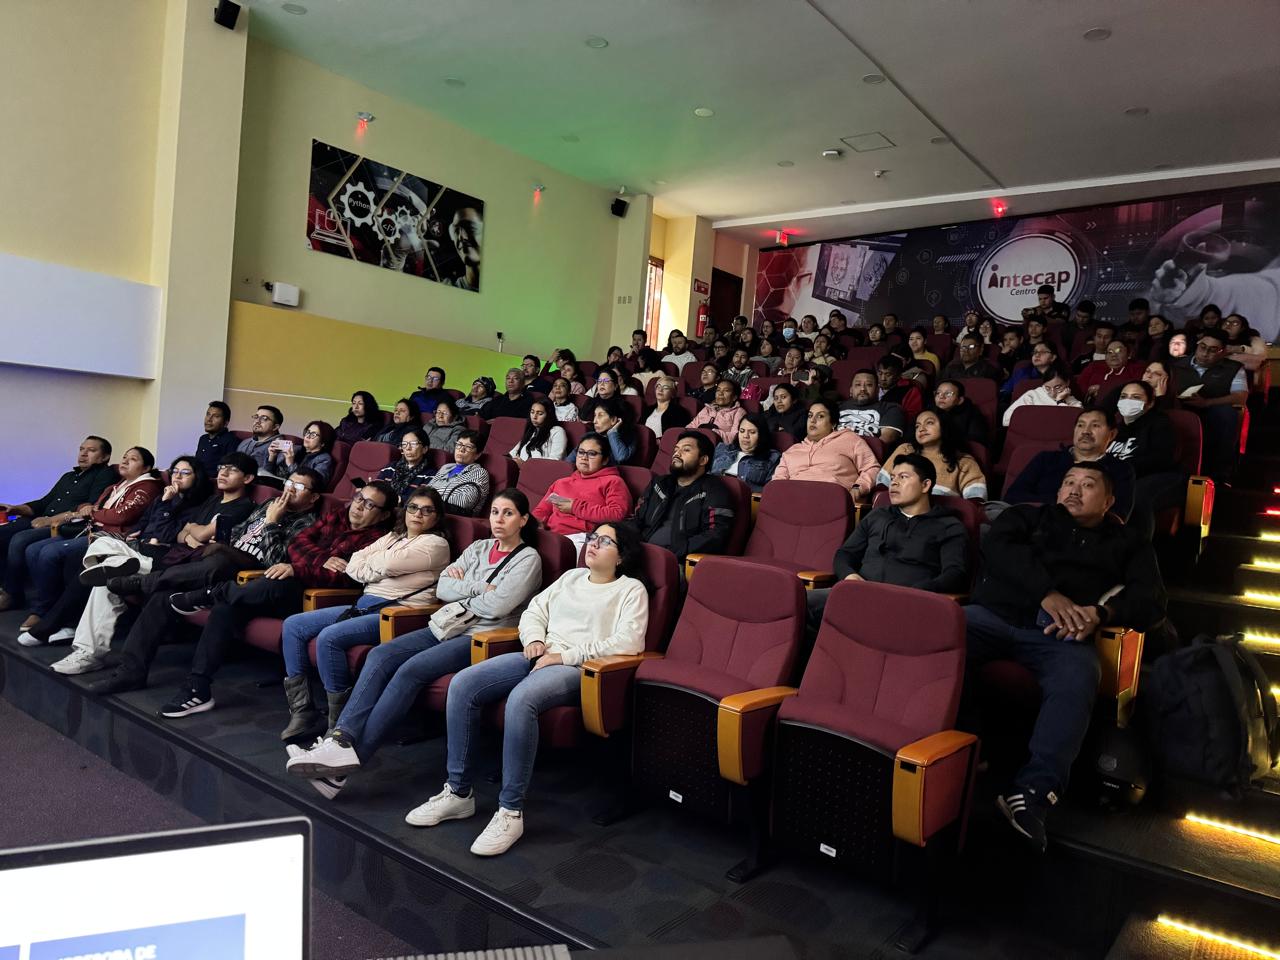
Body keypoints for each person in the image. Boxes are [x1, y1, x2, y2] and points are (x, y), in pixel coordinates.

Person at [403, 522, 648, 856]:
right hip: (539, 652)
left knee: (522, 699)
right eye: (592, 538)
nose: (593, 544)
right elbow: (535, 611)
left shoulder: (630, 589)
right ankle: (458, 793)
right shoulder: (571, 577)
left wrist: (565, 656)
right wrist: (533, 639)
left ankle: (510, 811)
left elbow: (628, 642)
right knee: (463, 684)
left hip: (579, 668)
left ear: (621, 556)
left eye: (605, 541)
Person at [284, 490, 545, 800]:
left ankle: (344, 765)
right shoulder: (479, 546)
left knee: (410, 670)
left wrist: (464, 589)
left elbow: (499, 605)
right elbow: (444, 587)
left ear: (523, 520)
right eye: (495, 512)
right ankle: (340, 739)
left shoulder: (528, 558)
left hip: (479, 637)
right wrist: (478, 588)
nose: (499, 519)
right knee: (381, 655)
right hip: (445, 623)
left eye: (508, 513)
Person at [965, 464, 1165, 851]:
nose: (1074, 490)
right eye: (1068, 483)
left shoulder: (1128, 542)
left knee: (1080, 672)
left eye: (1087, 485)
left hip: (1059, 634)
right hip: (995, 615)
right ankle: (965, 744)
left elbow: (1152, 602)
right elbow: (999, 548)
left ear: (1108, 502)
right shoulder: (1028, 517)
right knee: (940, 635)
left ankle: (1033, 793)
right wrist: (1047, 593)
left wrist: (1102, 613)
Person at [155, 481, 395, 718]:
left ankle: (210, 593)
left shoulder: (378, 539)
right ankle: (198, 687)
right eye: (359, 498)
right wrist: (321, 559)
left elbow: (345, 577)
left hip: (317, 600)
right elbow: (297, 544)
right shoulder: (337, 516)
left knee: (281, 582)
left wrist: (298, 569)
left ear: (383, 514)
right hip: (288, 586)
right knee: (226, 608)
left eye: (369, 505)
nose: (359, 506)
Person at [88, 468, 327, 694]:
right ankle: (130, 672)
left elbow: (276, 562)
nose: (289, 489)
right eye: (289, 482)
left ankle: (143, 582)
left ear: (314, 497)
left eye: (299, 487)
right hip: (224, 560)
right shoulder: (269, 504)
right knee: (164, 595)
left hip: (250, 574)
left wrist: (272, 522)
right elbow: (238, 532)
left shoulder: (308, 524)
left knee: (218, 561)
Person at [48, 454, 256, 675]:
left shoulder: (240, 506)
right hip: (171, 555)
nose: (223, 472)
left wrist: (191, 530)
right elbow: (182, 532)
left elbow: (196, 533)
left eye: (232, 470)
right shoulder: (212, 501)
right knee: (104, 546)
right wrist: (190, 532)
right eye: (222, 467)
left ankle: (89, 654)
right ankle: (113, 567)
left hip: (179, 565)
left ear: (248, 478)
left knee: (106, 578)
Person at [279, 486, 451, 739]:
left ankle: (338, 720)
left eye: (427, 511)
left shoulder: (436, 544)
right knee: (294, 625)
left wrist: (374, 564)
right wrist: (373, 565)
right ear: (405, 511)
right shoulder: (393, 537)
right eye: (413, 508)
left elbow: (386, 564)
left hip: (398, 614)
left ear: (436, 517)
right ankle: (302, 711)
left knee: (330, 637)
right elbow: (355, 563)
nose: (418, 514)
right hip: (364, 605)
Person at [23, 455, 212, 651]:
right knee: (83, 558)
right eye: (175, 472)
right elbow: (144, 523)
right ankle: (68, 623)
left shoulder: (197, 504)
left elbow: (166, 533)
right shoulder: (164, 498)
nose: (177, 477)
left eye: (185, 473)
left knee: (97, 553)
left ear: (196, 477)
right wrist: (134, 533)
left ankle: (51, 626)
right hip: (139, 545)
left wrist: (165, 505)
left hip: (161, 554)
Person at [808, 453, 968, 630]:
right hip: (859, 593)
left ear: (925, 485)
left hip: (905, 603)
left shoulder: (948, 525)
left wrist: (917, 592)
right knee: (796, 601)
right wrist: (849, 575)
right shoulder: (878, 515)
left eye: (903, 477)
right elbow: (845, 554)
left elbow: (954, 574)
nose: (894, 483)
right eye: (892, 478)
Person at [19, 447, 163, 635]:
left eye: (133, 459)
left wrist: (94, 513)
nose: (125, 461)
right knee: (33, 550)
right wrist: (87, 507)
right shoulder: (117, 485)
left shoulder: (148, 486)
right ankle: (49, 605)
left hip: (112, 538)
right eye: (124, 457)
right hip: (91, 530)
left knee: (50, 553)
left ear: (146, 468)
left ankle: (47, 612)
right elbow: (92, 505)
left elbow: (121, 516)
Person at [0, 436, 114, 612]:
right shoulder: (69, 476)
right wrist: (15, 508)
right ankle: (5, 587)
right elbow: (44, 502)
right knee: (3, 532)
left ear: (105, 457)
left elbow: (90, 507)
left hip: (64, 525)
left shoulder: (104, 475)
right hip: (40, 519)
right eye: (81, 449)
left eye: (91, 450)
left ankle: (12, 594)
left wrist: (50, 520)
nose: (83, 454)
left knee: (19, 539)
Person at [1006, 408, 1135, 520]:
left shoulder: (1120, 469)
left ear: (1112, 434)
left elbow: (1117, 515)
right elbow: (1013, 497)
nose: (1086, 431)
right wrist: (1064, 505)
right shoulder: (1046, 459)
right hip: (1031, 523)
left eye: (1095, 426)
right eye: (1080, 425)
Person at [634, 431, 734, 562]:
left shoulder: (714, 490)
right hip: (640, 553)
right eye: (676, 449)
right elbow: (638, 519)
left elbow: (716, 534)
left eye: (686, 450)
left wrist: (675, 552)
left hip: (678, 561)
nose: (677, 453)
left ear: (703, 460)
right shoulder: (659, 483)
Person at [1169, 330, 1248, 480]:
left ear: (1222, 351)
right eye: (1203, 347)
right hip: (1182, 409)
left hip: (1213, 411)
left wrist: (1207, 403)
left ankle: (1220, 473)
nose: (1205, 353)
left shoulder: (1233, 368)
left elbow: (1240, 397)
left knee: (1227, 414)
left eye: (1212, 350)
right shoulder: (1176, 365)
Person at [1108, 380, 1183, 536]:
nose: (1128, 401)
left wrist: (1121, 470)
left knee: (1137, 495)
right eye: (1123, 396)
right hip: (1119, 476)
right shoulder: (1114, 429)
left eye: (1136, 397)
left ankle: (1140, 547)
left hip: (1157, 477)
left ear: (1150, 403)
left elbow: (1161, 459)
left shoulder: (1160, 423)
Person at [534, 433, 632, 548]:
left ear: (605, 460)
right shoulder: (561, 482)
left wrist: (575, 507)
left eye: (592, 454)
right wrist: (535, 523)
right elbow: (541, 511)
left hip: (586, 538)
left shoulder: (613, 481)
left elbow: (617, 514)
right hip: (551, 535)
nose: (584, 457)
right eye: (581, 452)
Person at [774, 398, 879, 502]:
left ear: (833, 423)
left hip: (831, 500)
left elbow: (872, 468)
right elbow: (777, 483)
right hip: (793, 501)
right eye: (810, 416)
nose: (812, 420)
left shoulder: (850, 439)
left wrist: (858, 488)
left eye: (820, 416)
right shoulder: (792, 451)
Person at [877, 409, 987, 499]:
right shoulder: (905, 450)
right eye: (917, 426)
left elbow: (976, 499)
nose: (921, 429)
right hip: (897, 511)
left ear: (944, 426)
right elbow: (882, 485)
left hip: (942, 515)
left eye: (929, 423)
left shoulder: (963, 461)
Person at [711, 413, 780, 493]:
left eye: (752, 432)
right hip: (712, 491)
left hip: (744, 497)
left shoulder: (772, 457)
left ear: (762, 435)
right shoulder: (723, 448)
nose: (745, 436)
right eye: (742, 431)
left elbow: (770, 490)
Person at [427, 432, 491, 516]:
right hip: (430, 511)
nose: (461, 449)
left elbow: (463, 502)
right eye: (459, 445)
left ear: (477, 455)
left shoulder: (479, 473)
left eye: (468, 447)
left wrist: (430, 497)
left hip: (452, 517)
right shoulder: (445, 468)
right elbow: (426, 491)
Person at [838, 369, 906, 446]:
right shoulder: (837, 407)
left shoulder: (890, 408)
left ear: (877, 390)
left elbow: (887, 438)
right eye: (858, 384)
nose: (862, 389)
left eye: (869, 385)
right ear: (851, 390)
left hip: (867, 449)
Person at [1001, 364, 1082, 426]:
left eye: (1057, 387)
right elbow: (1006, 420)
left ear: (1067, 383)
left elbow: (1068, 424)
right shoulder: (1033, 395)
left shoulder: (1074, 403)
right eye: (1047, 388)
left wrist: (1060, 401)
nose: (1052, 392)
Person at [266, 420, 335, 485]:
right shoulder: (296, 448)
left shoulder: (324, 459)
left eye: (313, 435)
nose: (307, 436)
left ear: (323, 442)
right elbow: (269, 474)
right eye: (307, 432)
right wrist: (272, 457)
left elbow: (317, 484)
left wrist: (290, 464)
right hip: (274, 482)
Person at [1075, 340, 1144, 401]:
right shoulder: (1094, 366)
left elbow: (1136, 388)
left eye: (1118, 351)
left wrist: (1103, 389)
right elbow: (1078, 388)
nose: (1113, 355)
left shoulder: (1136, 369)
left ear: (1128, 354)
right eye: (1109, 352)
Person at [376, 428, 435, 498]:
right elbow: (376, 490)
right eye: (404, 444)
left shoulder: (430, 475)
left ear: (424, 449)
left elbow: (420, 500)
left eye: (413, 444)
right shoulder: (390, 468)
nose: (408, 448)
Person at [579, 397, 637, 465]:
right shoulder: (590, 436)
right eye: (595, 415)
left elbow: (621, 457)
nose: (594, 421)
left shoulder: (628, 436)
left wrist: (612, 433)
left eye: (600, 415)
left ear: (613, 420)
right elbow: (570, 461)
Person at [688, 378, 746, 445]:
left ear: (734, 397)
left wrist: (712, 433)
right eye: (718, 390)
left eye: (726, 390)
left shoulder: (739, 412)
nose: (720, 393)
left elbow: (735, 436)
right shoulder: (707, 409)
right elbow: (690, 427)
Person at [932, 380, 989, 446]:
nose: (941, 396)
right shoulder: (930, 410)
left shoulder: (972, 413)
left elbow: (977, 439)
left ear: (960, 400)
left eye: (948, 394)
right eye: (938, 393)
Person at [195, 402, 238, 477]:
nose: (209, 419)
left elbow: (228, 470)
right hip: (196, 478)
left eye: (216, 416)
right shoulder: (203, 438)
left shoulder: (231, 440)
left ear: (226, 422)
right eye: (208, 414)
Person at [238, 405, 285, 474]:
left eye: (264, 418)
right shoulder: (245, 442)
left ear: (275, 427)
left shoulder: (280, 447)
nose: (257, 421)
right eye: (256, 417)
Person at [876, 354, 923, 420]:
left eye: (888, 374)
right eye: (880, 373)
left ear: (898, 375)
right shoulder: (872, 387)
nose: (883, 378)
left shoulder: (910, 390)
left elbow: (913, 416)